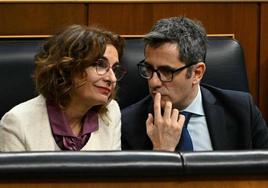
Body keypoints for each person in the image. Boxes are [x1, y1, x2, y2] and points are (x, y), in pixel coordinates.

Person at [121, 16, 268, 151]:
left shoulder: (241, 110)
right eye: (148, 68)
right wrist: (162, 151)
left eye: (167, 72)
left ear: (197, 73)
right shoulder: (129, 124)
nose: (153, 82)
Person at [0, 25, 127, 151]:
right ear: (67, 68)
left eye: (114, 69)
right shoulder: (17, 123)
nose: (112, 79)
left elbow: (114, 171)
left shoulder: (112, 112)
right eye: (100, 65)